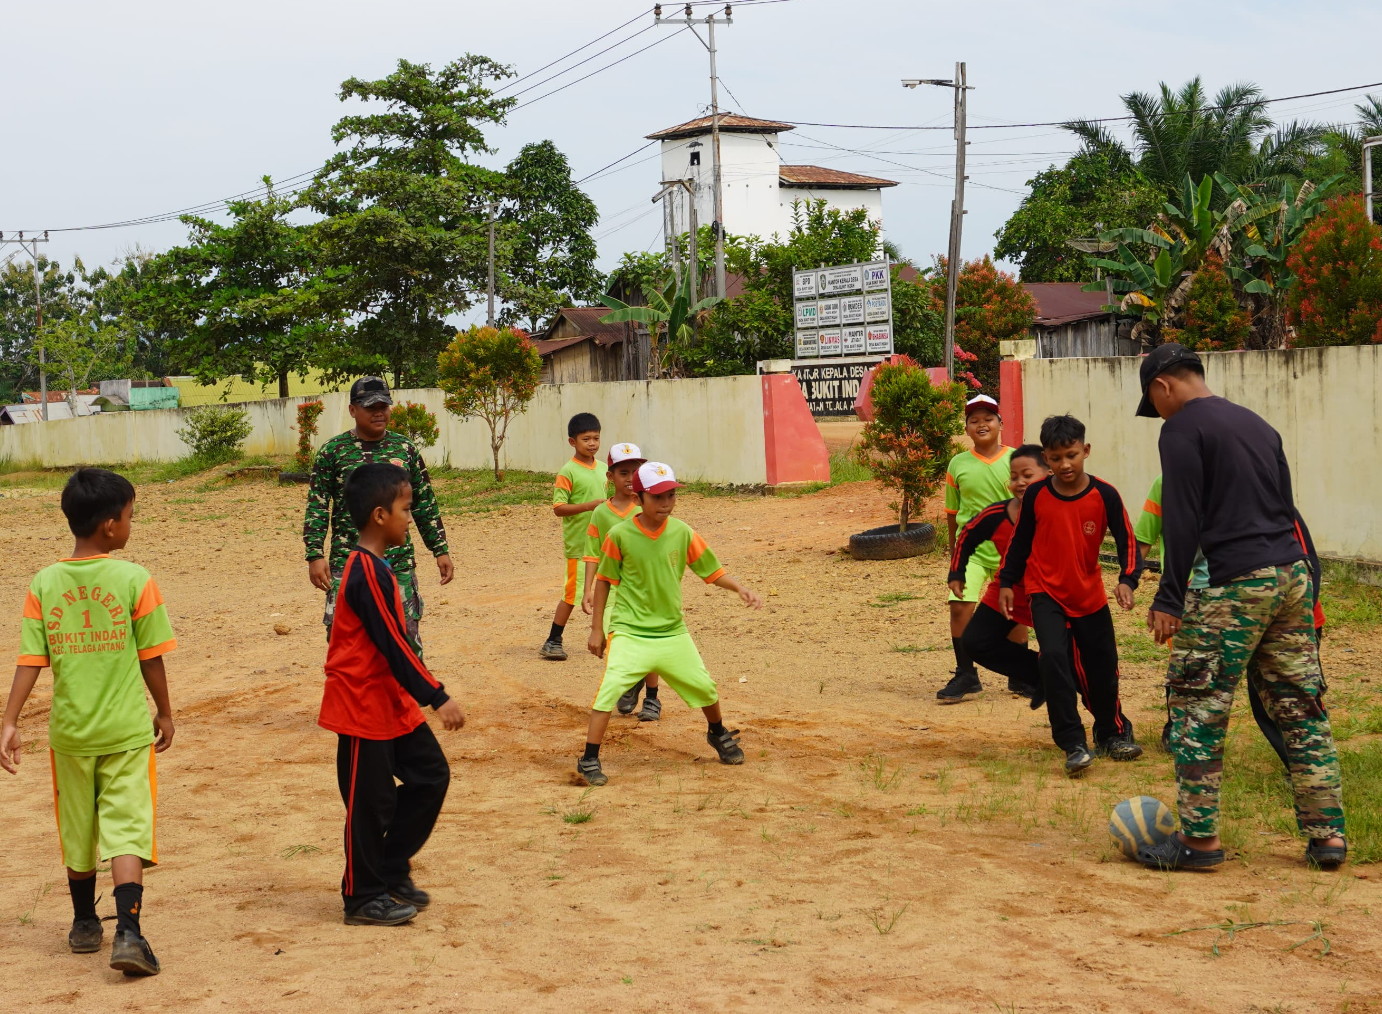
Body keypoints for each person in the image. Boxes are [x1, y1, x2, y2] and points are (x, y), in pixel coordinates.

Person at [1135, 343, 1345, 871]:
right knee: (1301, 708)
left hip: (1235, 583)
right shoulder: (1257, 424)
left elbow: (1182, 519)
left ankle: (1199, 844)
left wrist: (1169, 595)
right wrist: (1308, 582)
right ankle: (1328, 839)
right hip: (1291, 574)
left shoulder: (1181, 428)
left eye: (1153, 402)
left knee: (1197, 707)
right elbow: (1288, 510)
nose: (1157, 412)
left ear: (1163, 386)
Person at [1, 468, 176, 976]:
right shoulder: (134, 579)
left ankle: (83, 924)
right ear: (108, 526)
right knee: (126, 830)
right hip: (124, 732)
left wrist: (9, 721)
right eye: (128, 516)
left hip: (70, 734)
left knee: (78, 829)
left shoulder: (45, 582)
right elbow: (151, 657)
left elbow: (31, 659)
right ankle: (129, 932)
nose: (130, 524)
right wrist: (164, 712)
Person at [318, 463, 466, 926]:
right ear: (380, 515)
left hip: (389, 698)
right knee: (369, 803)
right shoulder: (363, 572)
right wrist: (436, 695)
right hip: (361, 702)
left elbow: (394, 644)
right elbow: (393, 641)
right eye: (405, 508)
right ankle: (362, 896)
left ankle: (389, 867)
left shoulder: (377, 568)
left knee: (430, 775)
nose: (411, 516)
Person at [579, 461, 762, 786]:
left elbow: (710, 571)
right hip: (630, 632)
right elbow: (605, 581)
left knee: (705, 687)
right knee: (607, 694)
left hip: (672, 632)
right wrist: (597, 629)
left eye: (671, 496)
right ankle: (589, 758)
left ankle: (717, 733)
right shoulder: (619, 535)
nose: (666, 503)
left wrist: (739, 588)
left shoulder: (682, 532)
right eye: (658, 497)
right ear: (639, 498)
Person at [1135, 476, 1329, 767]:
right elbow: (1150, 541)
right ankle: (1181, 734)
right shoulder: (1172, 483)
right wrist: (1159, 592)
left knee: (1283, 697)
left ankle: (1308, 766)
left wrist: (1303, 618)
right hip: (1219, 612)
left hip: (1281, 617)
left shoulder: (1261, 493)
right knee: (1195, 673)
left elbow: (1306, 559)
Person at [998, 415, 1142, 775]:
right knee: (1054, 661)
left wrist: (1128, 579)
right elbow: (1020, 543)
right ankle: (1073, 742)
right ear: (1046, 458)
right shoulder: (1036, 495)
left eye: (1072, 455)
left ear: (1086, 451)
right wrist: (1006, 583)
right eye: (1056, 457)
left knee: (1104, 668)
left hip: (1089, 596)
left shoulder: (1104, 494)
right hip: (1045, 592)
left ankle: (1111, 734)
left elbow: (1127, 541)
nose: (1065, 464)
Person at [304, 377, 453, 649]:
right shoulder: (332, 452)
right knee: (347, 644)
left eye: (384, 406)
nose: (379, 412)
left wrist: (439, 549)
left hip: (399, 564)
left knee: (406, 642)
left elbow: (423, 503)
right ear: (352, 410)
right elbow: (318, 506)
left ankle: (407, 692)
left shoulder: (405, 449)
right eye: (371, 407)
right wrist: (315, 554)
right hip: (348, 564)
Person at [948, 444, 1049, 702]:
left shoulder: (1061, 510)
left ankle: (1033, 678)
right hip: (1001, 576)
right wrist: (956, 569)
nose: (1020, 482)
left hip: (1043, 587)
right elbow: (966, 531)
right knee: (973, 633)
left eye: (1028, 476)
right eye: (1015, 477)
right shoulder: (997, 511)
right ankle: (968, 675)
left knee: (1059, 647)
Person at [937, 394, 1014, 703]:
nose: (981, 424)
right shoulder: (958, 464)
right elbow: (952, 512)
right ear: (966, 428)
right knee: (959, 605)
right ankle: (966, 673)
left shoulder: (1017, 459)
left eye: (988, 419)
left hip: (1011, 549)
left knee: (1014, 613)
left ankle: (1019, 676)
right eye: (974, 420)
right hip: (972, 550)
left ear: (1000, 424)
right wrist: (955, 550)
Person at [580, 442, 663, 721]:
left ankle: (652, 699)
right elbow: (592, 554)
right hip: (614, 593)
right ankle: (631, 682)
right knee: (617, 644)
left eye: (636, 472)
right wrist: (587, 589)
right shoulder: (601, 513)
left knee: (650, 642)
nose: (630, 478)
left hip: (646, 589)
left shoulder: (649, 508)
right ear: (610, 477)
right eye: (623, 472)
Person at [541, 412, 608, 661]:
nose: (592, 444)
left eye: (596, 438)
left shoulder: (604, 470)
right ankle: (553, 640)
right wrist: (589, 506)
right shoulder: (567, 471)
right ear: (573, 442)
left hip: (603, 544)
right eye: (586, 439)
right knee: (572, 594)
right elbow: (558, 508)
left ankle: (610, 636)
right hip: (579, 546)